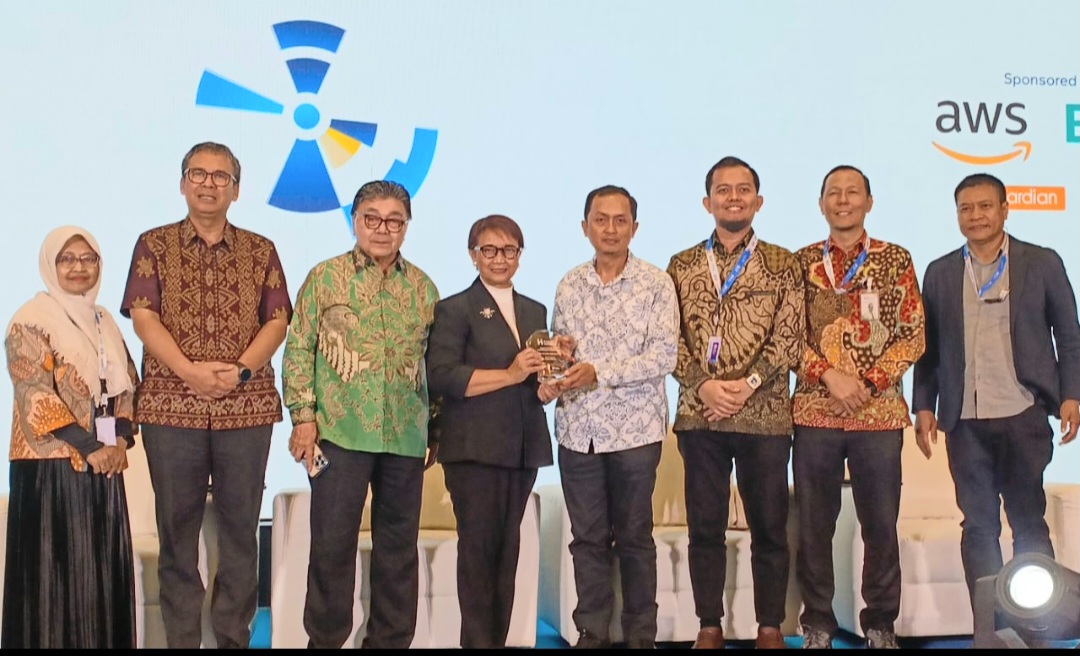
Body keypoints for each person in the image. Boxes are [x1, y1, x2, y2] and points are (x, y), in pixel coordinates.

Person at [120, 142, 293, 648]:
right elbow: (144, 317)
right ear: (182, 183)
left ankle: (233, 639)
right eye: (198, 174)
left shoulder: (260, 249)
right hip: (171, 410)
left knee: (240, 535)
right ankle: (182, 641)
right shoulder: (153, 245)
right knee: (177, 536)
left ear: (236, 190)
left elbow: (277, 320)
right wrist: (189, 374)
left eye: (221, 177)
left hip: (246, 409)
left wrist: (240, 372)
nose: (208, 184)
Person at [282, 180, 440, 649]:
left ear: (406, 226)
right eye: (372, 218)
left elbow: (435, 363)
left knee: (398, 550)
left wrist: (435, 428)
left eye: (394, 220)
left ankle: (390, 641)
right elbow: (298, 350)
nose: (382, 229)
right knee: (332, 547)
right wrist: (303, 418)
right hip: (339, 435)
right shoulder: (325, 277)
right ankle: (326, 641)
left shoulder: (423, 288)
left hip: (405, 438)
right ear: (355, 221)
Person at [912, 172, 1080, 609]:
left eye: (985, 206)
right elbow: (928, 348)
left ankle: (1037, 621)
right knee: (978, 526)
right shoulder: (940, 272)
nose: (976, 216)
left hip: (1023, 413)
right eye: (966, 209)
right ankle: (990, 627)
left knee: (1028, 522)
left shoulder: (1041, 262)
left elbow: (1069, 336)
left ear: (1005, 210)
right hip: (964, 421)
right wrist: (924, 405)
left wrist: (1071, 394)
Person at [667, 156, 804, 650]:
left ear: (758, 201)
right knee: (705, 528)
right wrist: (702, 385)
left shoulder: (784, 263)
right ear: (707, 202)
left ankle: (770, 626)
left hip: (764, 417)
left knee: (769, 529)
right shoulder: (681, 265)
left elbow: (789, 337)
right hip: (700, 416)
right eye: (723, 190)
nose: (733, 197)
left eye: (743, 189)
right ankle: (709, 625)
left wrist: (747, 384)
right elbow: (668, 338)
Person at [792, 166, 925, 650]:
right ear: (821, 203)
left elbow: (913, 334)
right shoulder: (802, 263)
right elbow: (788, 336)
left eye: (853, 192)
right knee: (814, 526)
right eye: (834, 193)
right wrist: (829, 376)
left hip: (879, 414)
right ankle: (817, 623)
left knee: (880, 525)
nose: (843, 200)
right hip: (815, 412)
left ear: (869, 202)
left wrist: (867, 383)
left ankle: (880, 623)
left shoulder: (895, 259)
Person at [545, 185, 678, 649]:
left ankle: (641, 635)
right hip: (577, 432)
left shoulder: (656, 283)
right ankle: (591, 632)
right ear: (585, 227)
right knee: (587, 539)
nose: (610, 229)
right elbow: (561, 353)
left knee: (636, 538)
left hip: (635, 432)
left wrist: (598, 371)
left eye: (620, 220)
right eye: (600, 220)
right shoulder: (569, 284)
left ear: (634, 228)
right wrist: (557, 360)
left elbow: (663, 356)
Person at [3, 226, 139, 648]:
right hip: (49, 472)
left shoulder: (104, 321)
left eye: (88, 259)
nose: (79, 268)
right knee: (55, 579)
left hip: (103, 468)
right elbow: (33, 392)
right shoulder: (30, 319)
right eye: (67, 259)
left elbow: (126, 386)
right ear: (50, 264)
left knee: (100, 577)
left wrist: (118, 442)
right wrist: (91, 447)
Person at [426, 214, 554, 648]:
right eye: (490, 250)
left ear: (520, 255)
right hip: (474, 451)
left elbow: (532, 383)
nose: (500, 259)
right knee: (478, 557)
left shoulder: (534, 310)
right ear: (473, 255)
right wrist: (510, 374)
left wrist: (551, 382)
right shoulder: (455, 308)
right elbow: (442, 375)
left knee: (507, 556)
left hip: (522, 448)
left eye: (509, 250)